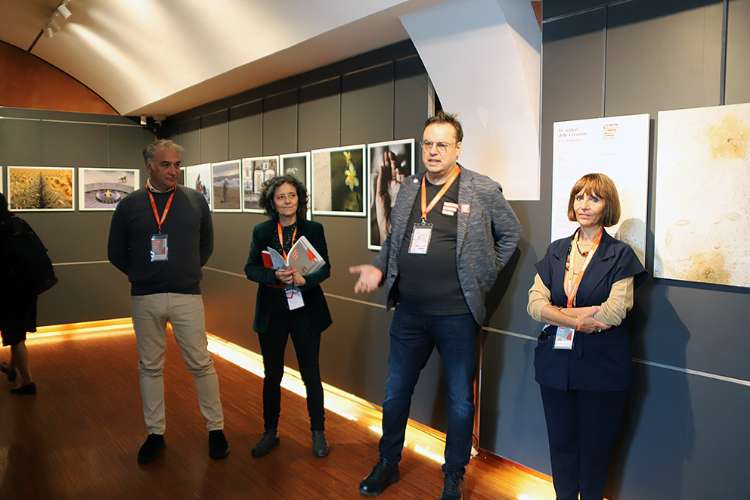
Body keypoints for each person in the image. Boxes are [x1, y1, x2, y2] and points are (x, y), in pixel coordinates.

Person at [350, 112, 521, 500]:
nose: (433, 151)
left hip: (457, 315)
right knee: (395, 393)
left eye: (442, 144)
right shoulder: (410, 187)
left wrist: (484, 273)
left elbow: (511, 234)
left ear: (458, 148)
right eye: (427, 143)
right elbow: (394, 239)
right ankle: (387, 463)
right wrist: (379, 267)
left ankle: (453, 474)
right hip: (409, 313)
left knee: (460, 400)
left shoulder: (481, 188)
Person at [107, 139, 229, 464]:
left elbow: (206, 246)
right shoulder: (129, 205)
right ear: (149, 165)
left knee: (201, 363)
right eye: (166, 165)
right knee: (150, 366)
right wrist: (142, 274)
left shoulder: (195, 201)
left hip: (186, 294)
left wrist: (185, 271)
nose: (173, 171)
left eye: (177, 165)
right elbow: (115, 252)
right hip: (145, 296)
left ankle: (216, 429)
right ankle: (155, 433)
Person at [527, 173, 646, 500]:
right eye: (579, 197)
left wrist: (557, 313)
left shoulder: (620, 255)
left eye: (594, 198)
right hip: (555, 365)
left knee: (595, 450)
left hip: (601, 368)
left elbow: (614, 312)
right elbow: (534, 304)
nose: (584, 205)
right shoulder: (556, 250)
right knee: (561, 445)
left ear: (608, 205)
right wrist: (579, 319)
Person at [244, 175, 332, 459]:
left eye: (291, 195)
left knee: (311, 374)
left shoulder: (313, 229)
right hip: (273, 312)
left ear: (299, 198)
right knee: (272, 375)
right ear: (272, 202)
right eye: (280, 197)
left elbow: (325, 268)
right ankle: (270, 432)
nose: (287, 201)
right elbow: (250, 269)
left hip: (306, 311)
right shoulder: (261, 231)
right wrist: (274, 275)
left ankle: (318, 432)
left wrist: (306, 280)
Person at [0, 192, 50, 395]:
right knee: (17, 333)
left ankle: (27, 382)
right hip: (28, 288)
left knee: (15, 335)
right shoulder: (18, 223)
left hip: (8, 291)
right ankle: (13, 368)